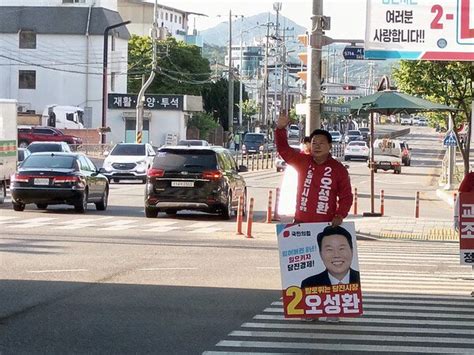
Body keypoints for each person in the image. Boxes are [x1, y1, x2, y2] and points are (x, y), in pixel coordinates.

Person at [275, 115, 353, 226]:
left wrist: (340, 215)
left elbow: (346, 197)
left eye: (321, 143)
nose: (317, 146)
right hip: (300, 223)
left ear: (330, 146)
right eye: (314, 143)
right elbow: (284, 150)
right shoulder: (303, 161)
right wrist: (280, 129)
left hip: (326, 225)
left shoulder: (339, 169)